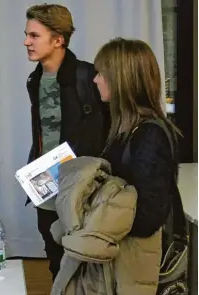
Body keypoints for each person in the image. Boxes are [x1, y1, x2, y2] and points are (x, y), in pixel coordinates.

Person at [23, 4, 110, 280]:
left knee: (87, 266)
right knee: (55, 263)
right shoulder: (33, 79)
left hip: (83, 190)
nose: (26, 42)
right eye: (27, 34)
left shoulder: (89, 76)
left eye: (34, 36)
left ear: (58, 40)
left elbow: (110, 131)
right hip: (45, 188)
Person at [95, 38, 182, 290]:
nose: (95, 80)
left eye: (101, 73)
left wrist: (99, 217)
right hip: (124, 256)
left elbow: (147, 217)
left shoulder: (148, 135)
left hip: (136, 260)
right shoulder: (124, 128)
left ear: (121, 79)